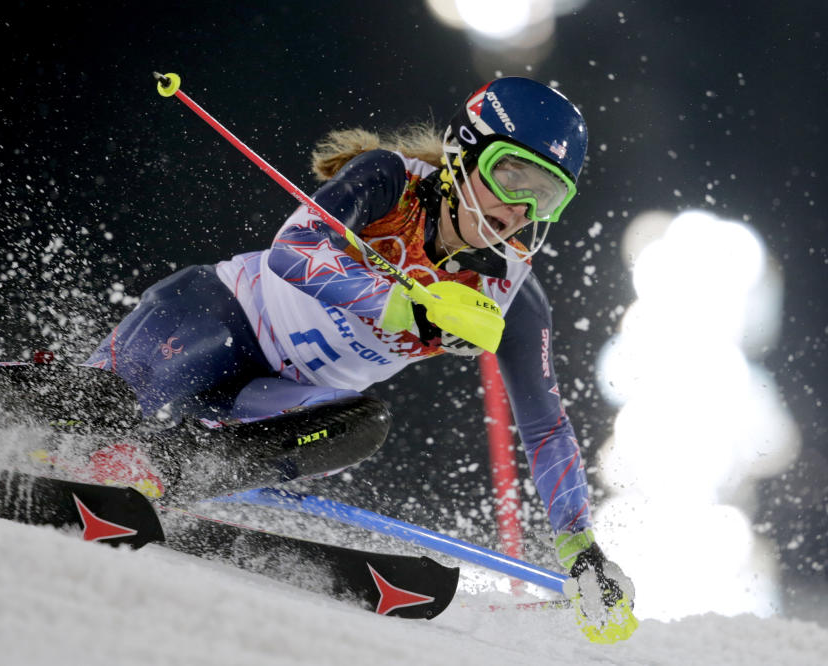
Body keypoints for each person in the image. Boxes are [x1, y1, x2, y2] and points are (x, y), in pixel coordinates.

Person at [80, 77, 637, 642]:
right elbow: (292, 252)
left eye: (544, 196)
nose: (518, 209)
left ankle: (158, 470)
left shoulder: (513, 295)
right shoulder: (388, 180)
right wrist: (406, 308)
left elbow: (545, 427)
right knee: (94, 407)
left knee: (360, 423)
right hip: (211, 320)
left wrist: (581, 550)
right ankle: (14, 401)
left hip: (266, 394)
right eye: (510, 175)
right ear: (463, 153)